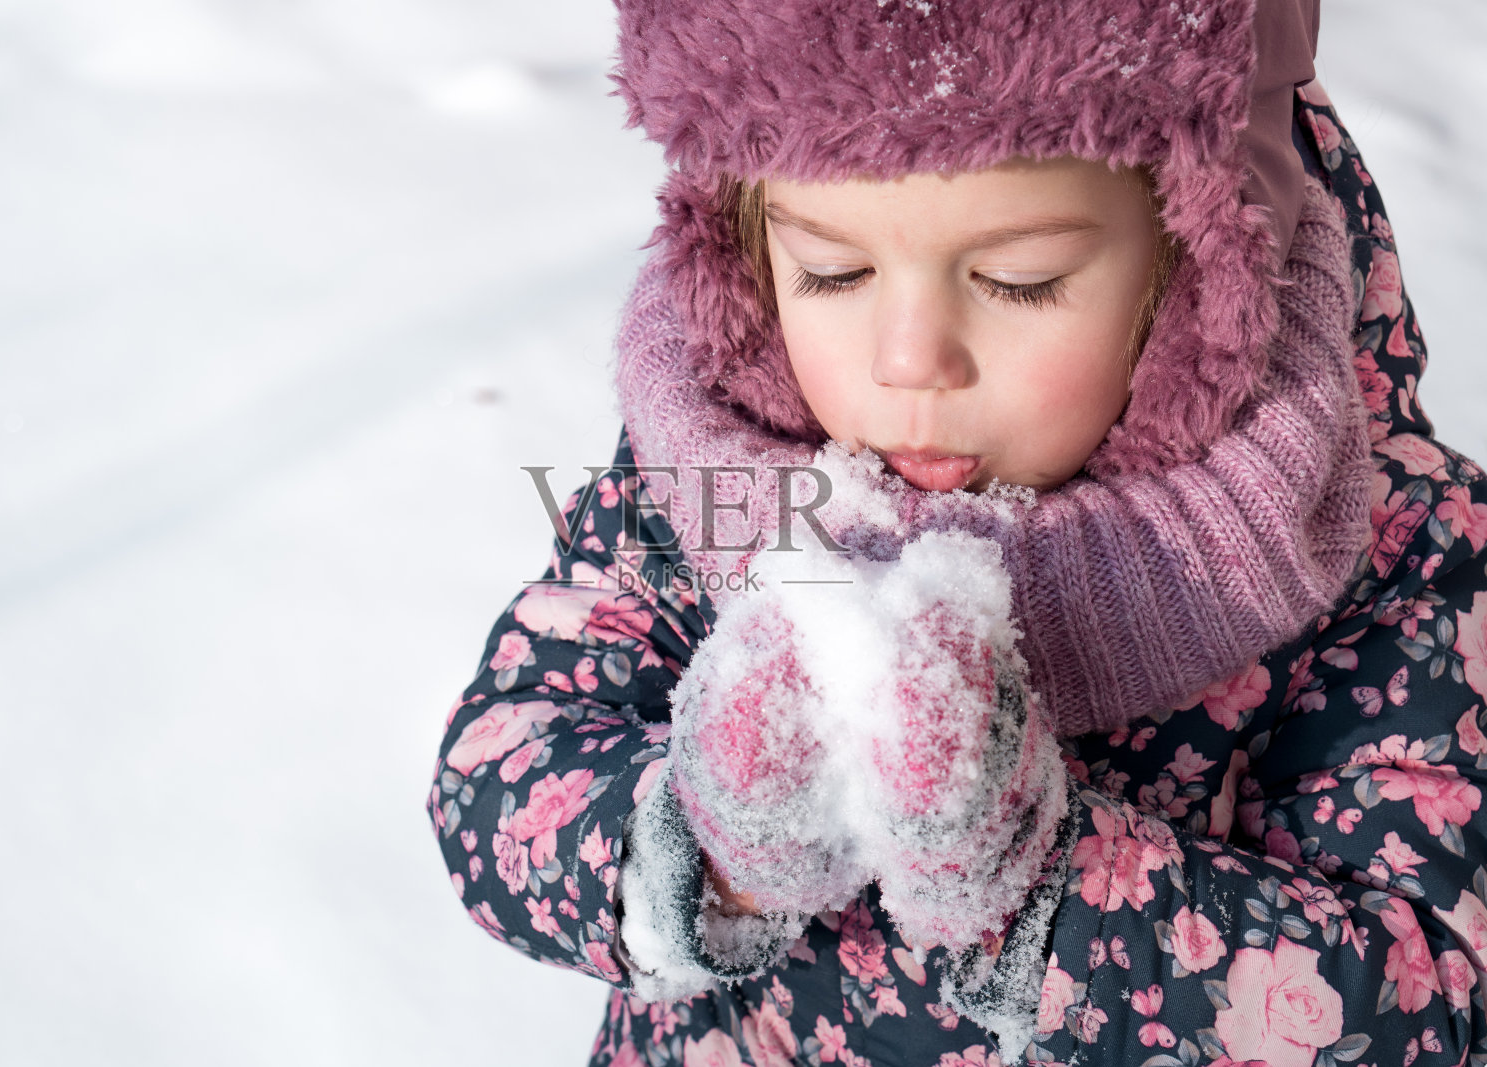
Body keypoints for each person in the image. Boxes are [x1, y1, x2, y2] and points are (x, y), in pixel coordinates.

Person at [429, 1, 1487, 1062]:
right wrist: (714, 849)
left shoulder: (1380, 541)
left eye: (1015, 280)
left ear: (1204, 265)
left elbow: (1431, 994)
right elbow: (503, 766)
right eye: (831, 272)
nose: (908, 360)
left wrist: (1035, 888)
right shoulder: (705, 469)